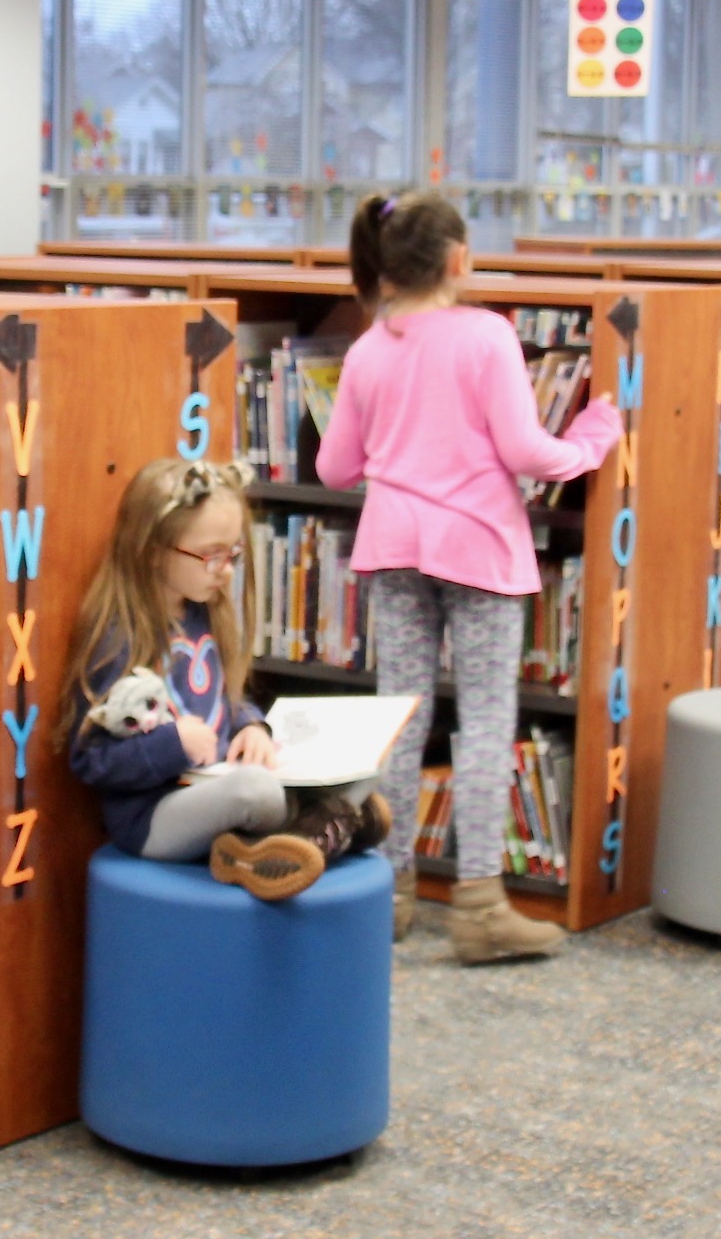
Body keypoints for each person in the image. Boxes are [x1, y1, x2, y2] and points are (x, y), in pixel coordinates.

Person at [317, 191, 623, 964]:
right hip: (479, 548)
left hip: (392, 546)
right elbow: (525, 451)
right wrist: (589, 441)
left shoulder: (366, 349)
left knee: (401, 716)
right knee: (484, 720)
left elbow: (333, 467)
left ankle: (387, 892)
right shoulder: (487, 336)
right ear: (459, 259)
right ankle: (481, 908)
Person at [63, 457, 388, 900]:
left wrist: (252, 726)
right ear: (152, 549)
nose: (227, 569)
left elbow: (220, 701)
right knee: (255, 791)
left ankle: (308, 832)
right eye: (211, 555)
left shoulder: (204, 615)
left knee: (370, 754)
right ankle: (330, 824)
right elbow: (90, 760)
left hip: (218, 785)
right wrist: (171, 746)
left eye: (233, 553)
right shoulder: (118, 637)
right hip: (154, 816)